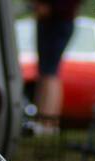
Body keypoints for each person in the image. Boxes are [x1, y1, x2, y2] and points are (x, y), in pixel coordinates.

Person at [32, 0, 82, 131]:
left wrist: (49, 6)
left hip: (56, 20)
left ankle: (48, 122)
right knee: (46, 72)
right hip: (54, 19)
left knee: (49, 73)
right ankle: (43, 120)